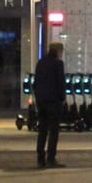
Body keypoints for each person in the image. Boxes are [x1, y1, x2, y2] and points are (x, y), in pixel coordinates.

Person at [33, 40, 66, 168]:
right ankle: (51, 158)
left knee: (42, 130)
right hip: (53, 102)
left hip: (41, 102)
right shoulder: (58, 64)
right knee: (53, 131)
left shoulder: (40, 63)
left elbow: (36, 83)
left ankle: (40, 158)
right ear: (58, 51)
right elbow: (60, 83)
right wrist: (62, 99)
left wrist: (38, 99)